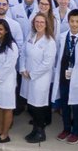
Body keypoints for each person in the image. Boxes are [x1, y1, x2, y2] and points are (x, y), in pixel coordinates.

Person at [20, 11, 57, 143]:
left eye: (42, 22)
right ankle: (34, 130)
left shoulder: (50, 42)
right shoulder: (31, 36)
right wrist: (23, 68)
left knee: (38, 106)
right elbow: (23, 53)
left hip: (40, 79)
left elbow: (47, 63)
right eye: (37, 22)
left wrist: (32, 74)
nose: (39, 24)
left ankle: (40, 132)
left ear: (46, 24)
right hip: (27, 76)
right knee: (31, 105)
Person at [56, 10, 78, 144]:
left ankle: (77, 132)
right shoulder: (62, 37)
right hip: (64, 77)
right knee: (65, 104)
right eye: (72, 21)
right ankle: (66, 128)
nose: (74, 24)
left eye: (77, 21)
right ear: (68, 22)